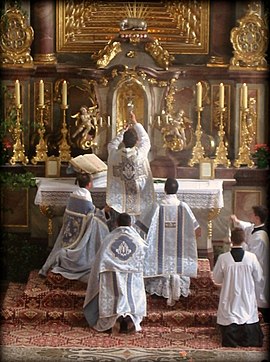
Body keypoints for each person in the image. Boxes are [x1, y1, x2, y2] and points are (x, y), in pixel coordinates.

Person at [135, 177, 201, 306]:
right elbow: (197, 231)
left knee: (160, 260)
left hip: (160, 255)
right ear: (177, 190)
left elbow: (142, 228)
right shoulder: (184, 207)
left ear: (165, 190)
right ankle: (177, 281)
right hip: (179, 255)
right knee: (178, 260)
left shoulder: (156, 207)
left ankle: (164, 285)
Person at [39, 172, 110, 283]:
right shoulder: (86, 196)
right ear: (90, 184)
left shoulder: (74, 194)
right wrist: (104, 211)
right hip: (80, 232)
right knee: (101, 225)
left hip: (70, 231)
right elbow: (90, 216)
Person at [83, 213, 148, 334]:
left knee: (113, 293)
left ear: (116, 223)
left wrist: (97, 275)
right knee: (131, 294)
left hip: (111, 274)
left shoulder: (109, 238)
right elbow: (145, 256)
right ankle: (131, 318)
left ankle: (113, 319)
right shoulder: (138, 239)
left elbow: (99, 260)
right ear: (131, 223)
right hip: (132, 275)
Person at [213, 227, 264, 347]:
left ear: (231, 240)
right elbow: (259, 277)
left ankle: (231, 339)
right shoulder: (251, 258)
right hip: (247, 297)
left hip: (229, 297)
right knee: (249, 315)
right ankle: (250, 339)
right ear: (244, 239)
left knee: (230, 315)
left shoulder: (223, 258)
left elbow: (217, 279)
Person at [106, 111, 155, 220]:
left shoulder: (115, 155)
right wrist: (135, 123)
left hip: (121, 204)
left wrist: (123, 131)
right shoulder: (140, 154)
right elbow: (145, 140)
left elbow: (112, 144)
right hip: (139, 202)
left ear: (123, 141)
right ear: (136, 141)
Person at [230, 205, 270, 323]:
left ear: (257, 218)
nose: (249, 214)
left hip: (259, 270)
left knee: (258, 295)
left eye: (251, 214)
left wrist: (240, 243)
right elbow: (247, 227)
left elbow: (252, 256)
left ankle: (262, 318)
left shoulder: (260, 237)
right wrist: (237, 221)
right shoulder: (254, 227)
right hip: (253, 268)